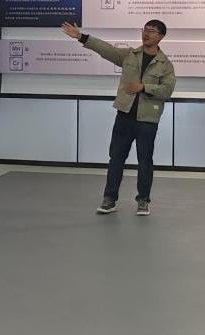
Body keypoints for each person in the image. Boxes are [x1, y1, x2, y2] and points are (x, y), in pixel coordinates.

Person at [61, 20, 176, 216]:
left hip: (147, 120)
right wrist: (81, 36)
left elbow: (167, 90)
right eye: (145, 30)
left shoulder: (165, 65)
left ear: (161, 36)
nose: (146, 34)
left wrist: (144, 87)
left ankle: (143, 201)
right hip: (124, 116)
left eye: (151, 31)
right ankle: (109, 199)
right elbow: (106, 50)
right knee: (116, 158)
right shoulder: (130, 55)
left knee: (145, 161)